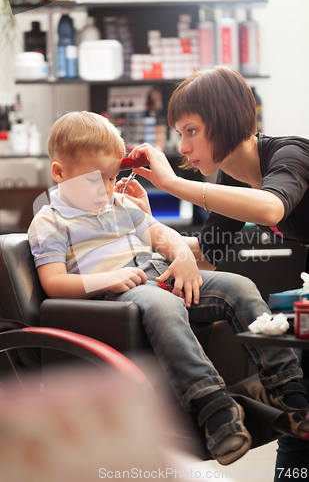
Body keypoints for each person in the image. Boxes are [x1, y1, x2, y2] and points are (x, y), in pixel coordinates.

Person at [28, 110, 309, 468]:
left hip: (159, 276)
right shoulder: (49, 221)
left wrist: (183, 257)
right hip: (117, 294)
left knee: (239, 286)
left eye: (113, 178)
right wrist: (106, 279)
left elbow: (164, 236)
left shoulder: (120, 205)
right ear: (59, 173)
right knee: (163, 304)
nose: (106, 190)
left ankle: (290, 392)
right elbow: (54, 283)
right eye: (94, 181)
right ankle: (213, 408)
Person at [118, 66, 309, 479]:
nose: (183, 148)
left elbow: (271, 208)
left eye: (191, 131)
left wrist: (172, 184)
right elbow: (206, 254)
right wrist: (149, 226)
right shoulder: (230, 178)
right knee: (298, 421)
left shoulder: (290, 154)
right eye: (179, 134)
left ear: (223, 121)